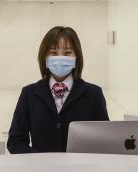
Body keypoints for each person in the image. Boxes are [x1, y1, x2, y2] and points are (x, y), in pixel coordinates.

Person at [7, 26, 109, 154]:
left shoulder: (94, 94)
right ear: (44, 57)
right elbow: (15, 142)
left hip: (82, 170)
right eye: (53, 53)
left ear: (76, 57)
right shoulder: (29, 93)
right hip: (40, 170)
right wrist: (39, 161)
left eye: (67, 53)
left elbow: (104, 141)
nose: (60, 57)